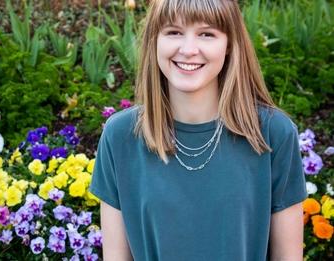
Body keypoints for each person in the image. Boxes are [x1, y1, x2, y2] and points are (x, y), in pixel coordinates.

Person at [89, 0, 308, 260]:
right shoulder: (121, 136)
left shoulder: (272, 134)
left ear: (229, 45)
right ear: (154, 41)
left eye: (207, 34)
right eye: (173, 32)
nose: (189, 49)